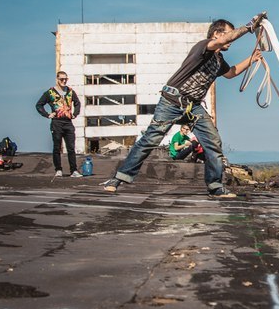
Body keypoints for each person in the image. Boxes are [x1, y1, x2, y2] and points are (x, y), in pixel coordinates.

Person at [103, 14, 266, 197]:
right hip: (172, 101)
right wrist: (249, 27)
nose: (231, 40)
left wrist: (252, 59)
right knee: (150, 140)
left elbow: (231, 73)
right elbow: (224, 40)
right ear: (216, 34)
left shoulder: (219, 61)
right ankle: (118, 178)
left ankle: (215, 187)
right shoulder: (204, 47)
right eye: (228, 34)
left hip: (193, 107)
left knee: (213, 141)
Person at [35, 71, 83, 177]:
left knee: (71, 147)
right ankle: (58, 170)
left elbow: (77, 103)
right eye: (62, 79)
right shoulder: (50, 92)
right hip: (57, 123)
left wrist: (75, 114)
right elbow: (39, 105)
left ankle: (74, 170)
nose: (64, 81)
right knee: (57, 147)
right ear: (57, 79)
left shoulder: (70, 91)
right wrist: (47, 114)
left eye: (66, 79)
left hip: (68, 123)